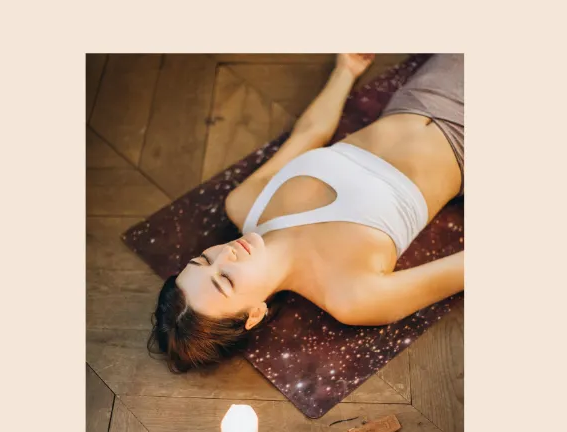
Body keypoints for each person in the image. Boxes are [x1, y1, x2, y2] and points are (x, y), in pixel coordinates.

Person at [149, 53, 464, 372]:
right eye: (226, 280)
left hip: (419, 96)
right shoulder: (352, 297)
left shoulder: (244, 202)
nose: (225, 256)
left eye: (203, 260)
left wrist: (346, 69)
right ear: (254, 314)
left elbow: (309, 134)